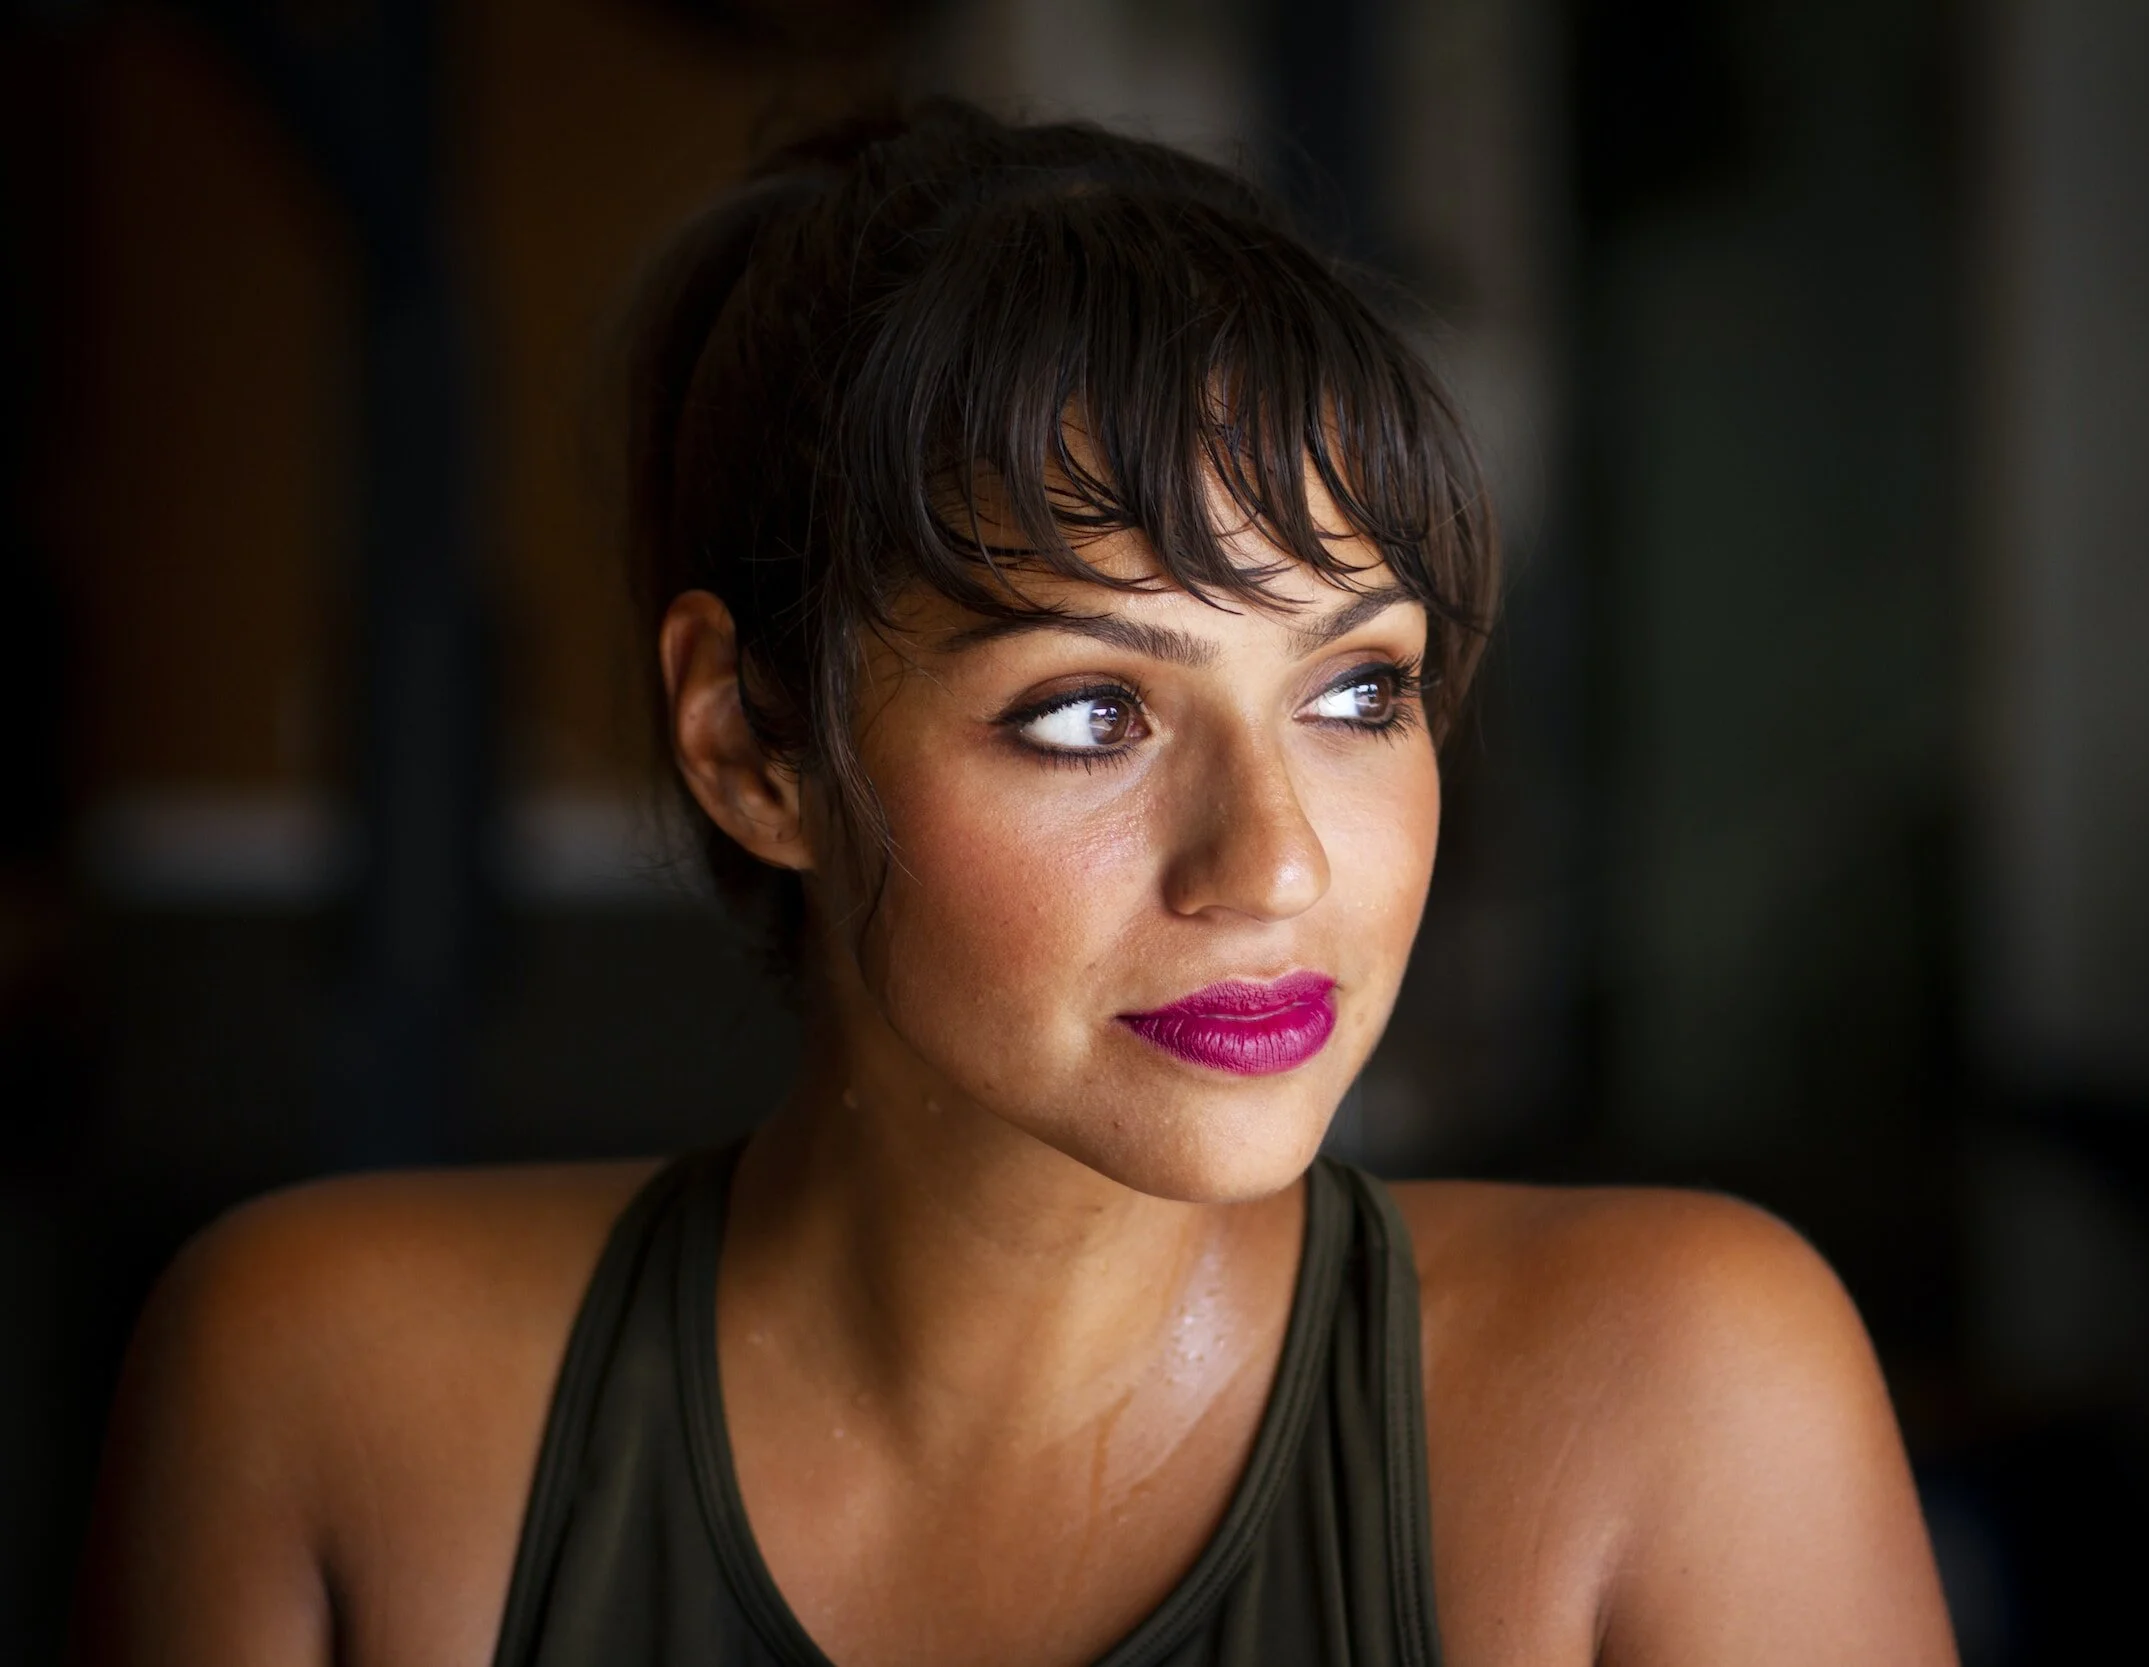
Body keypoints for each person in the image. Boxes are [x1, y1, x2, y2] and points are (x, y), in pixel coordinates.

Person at [72, 104, 1956, 1667]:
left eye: (1358, 690)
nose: (1279, 858)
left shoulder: (1686, 1402)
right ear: (752, 743)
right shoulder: (320, 1399)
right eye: (1083, 714)